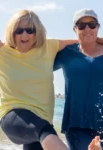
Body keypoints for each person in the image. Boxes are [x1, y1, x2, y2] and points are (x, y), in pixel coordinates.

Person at [0, 9, 82, 150]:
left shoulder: (49, 46)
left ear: (37, 31)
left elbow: (84, 42)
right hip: (13, 117)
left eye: (29, 30)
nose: (24, 34)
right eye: (18, 30)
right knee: (46, 132)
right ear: (12, 32)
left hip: (42, 120)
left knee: (43, 133)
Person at [54, 8, 103, 150]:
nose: (87, 28)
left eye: (92, 24)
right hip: (76, 125)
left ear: (98, 27)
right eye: (81, 25)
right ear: (75, 29)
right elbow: (37, 62)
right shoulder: (67, 53)